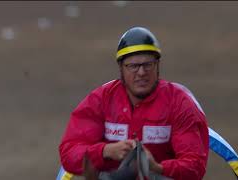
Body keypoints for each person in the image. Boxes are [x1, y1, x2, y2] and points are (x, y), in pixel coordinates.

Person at [59, 26, 209, 180]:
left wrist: (156, 167)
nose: (141, 73)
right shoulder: (100, 100)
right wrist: (105, 151)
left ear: (157, 65)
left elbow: (195, 166)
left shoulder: (180, 103)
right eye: (133, 66)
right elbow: (69, 153)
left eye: (147, 65)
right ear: (121, 68)